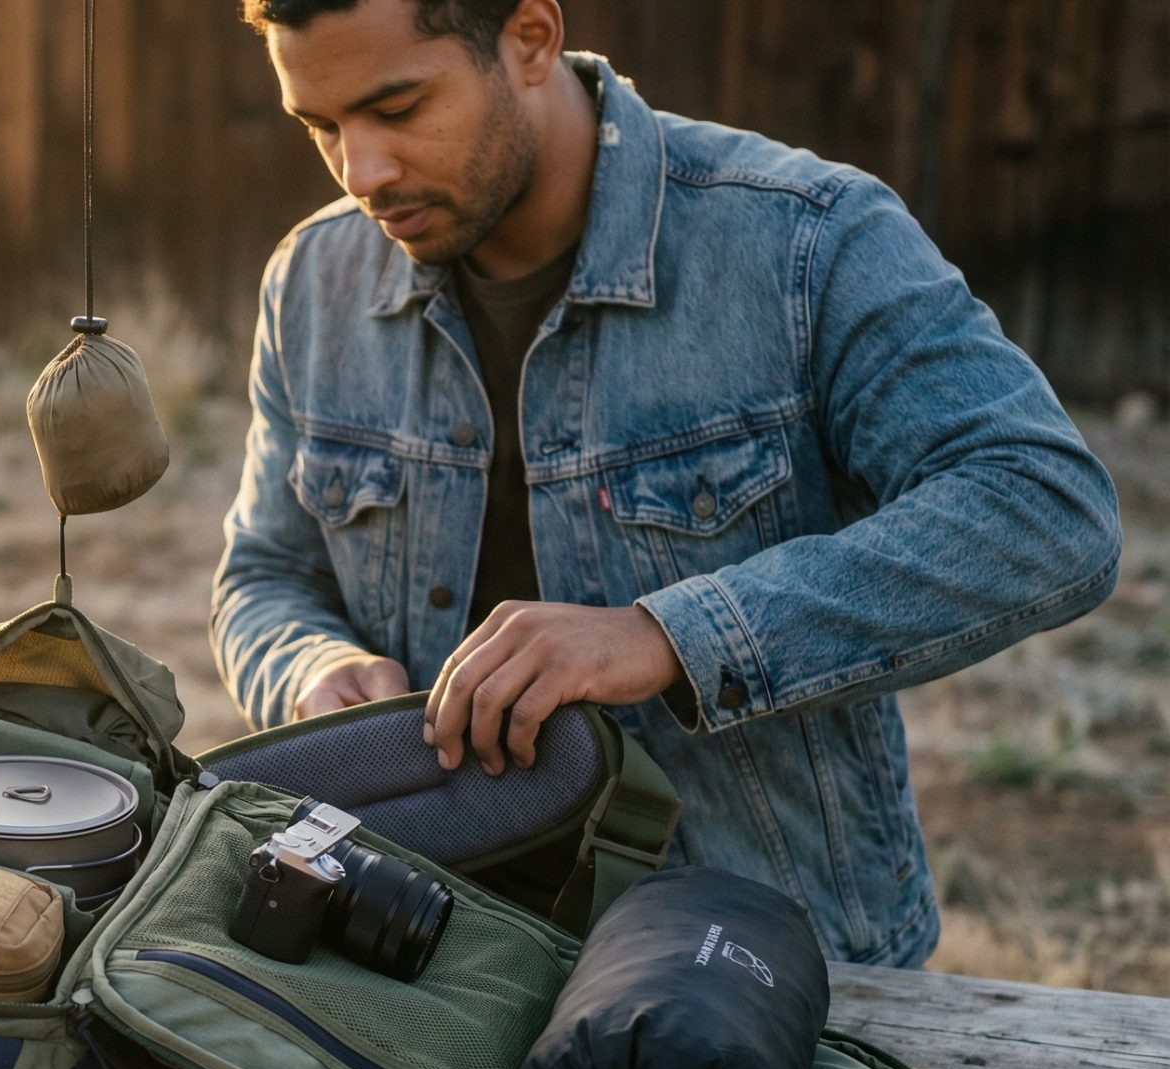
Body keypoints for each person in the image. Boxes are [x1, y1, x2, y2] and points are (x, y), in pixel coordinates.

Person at [213, 0, 1120, 965]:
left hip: (760, 965)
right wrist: (308, 667)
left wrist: (668, 636)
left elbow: (1046, 506)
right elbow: (265, 574)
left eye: (397, 108)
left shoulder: (804, 242)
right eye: (321, 127)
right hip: (416, 957)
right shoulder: (311, 279)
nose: (364, 173)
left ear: (530, 37)